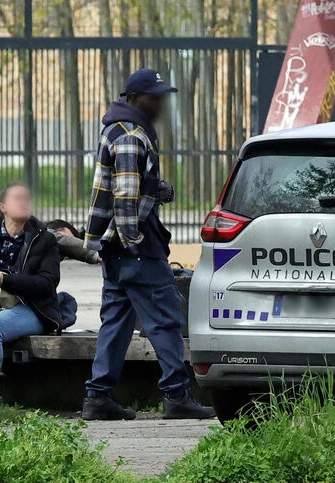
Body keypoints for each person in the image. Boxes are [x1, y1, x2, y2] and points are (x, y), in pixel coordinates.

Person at [82, 68, 214, 420]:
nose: (159, 104)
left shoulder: (117, 129)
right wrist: (134, 242)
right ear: (134, 97)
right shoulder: (130, 135)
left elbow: (131, 184)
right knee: (166, 317)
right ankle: (177, 396)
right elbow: (125, 197)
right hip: (135, 247)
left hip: (114, 248)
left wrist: (159, 189)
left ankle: (98, 397)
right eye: (153, 97)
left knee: (116, 322)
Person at [0, 183, 62, 402]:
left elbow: (47, 284)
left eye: (26, 198)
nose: (24, 202)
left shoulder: (44, 239)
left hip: (32, 307)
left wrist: (7, 280)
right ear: (2, 206)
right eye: (17, 198)